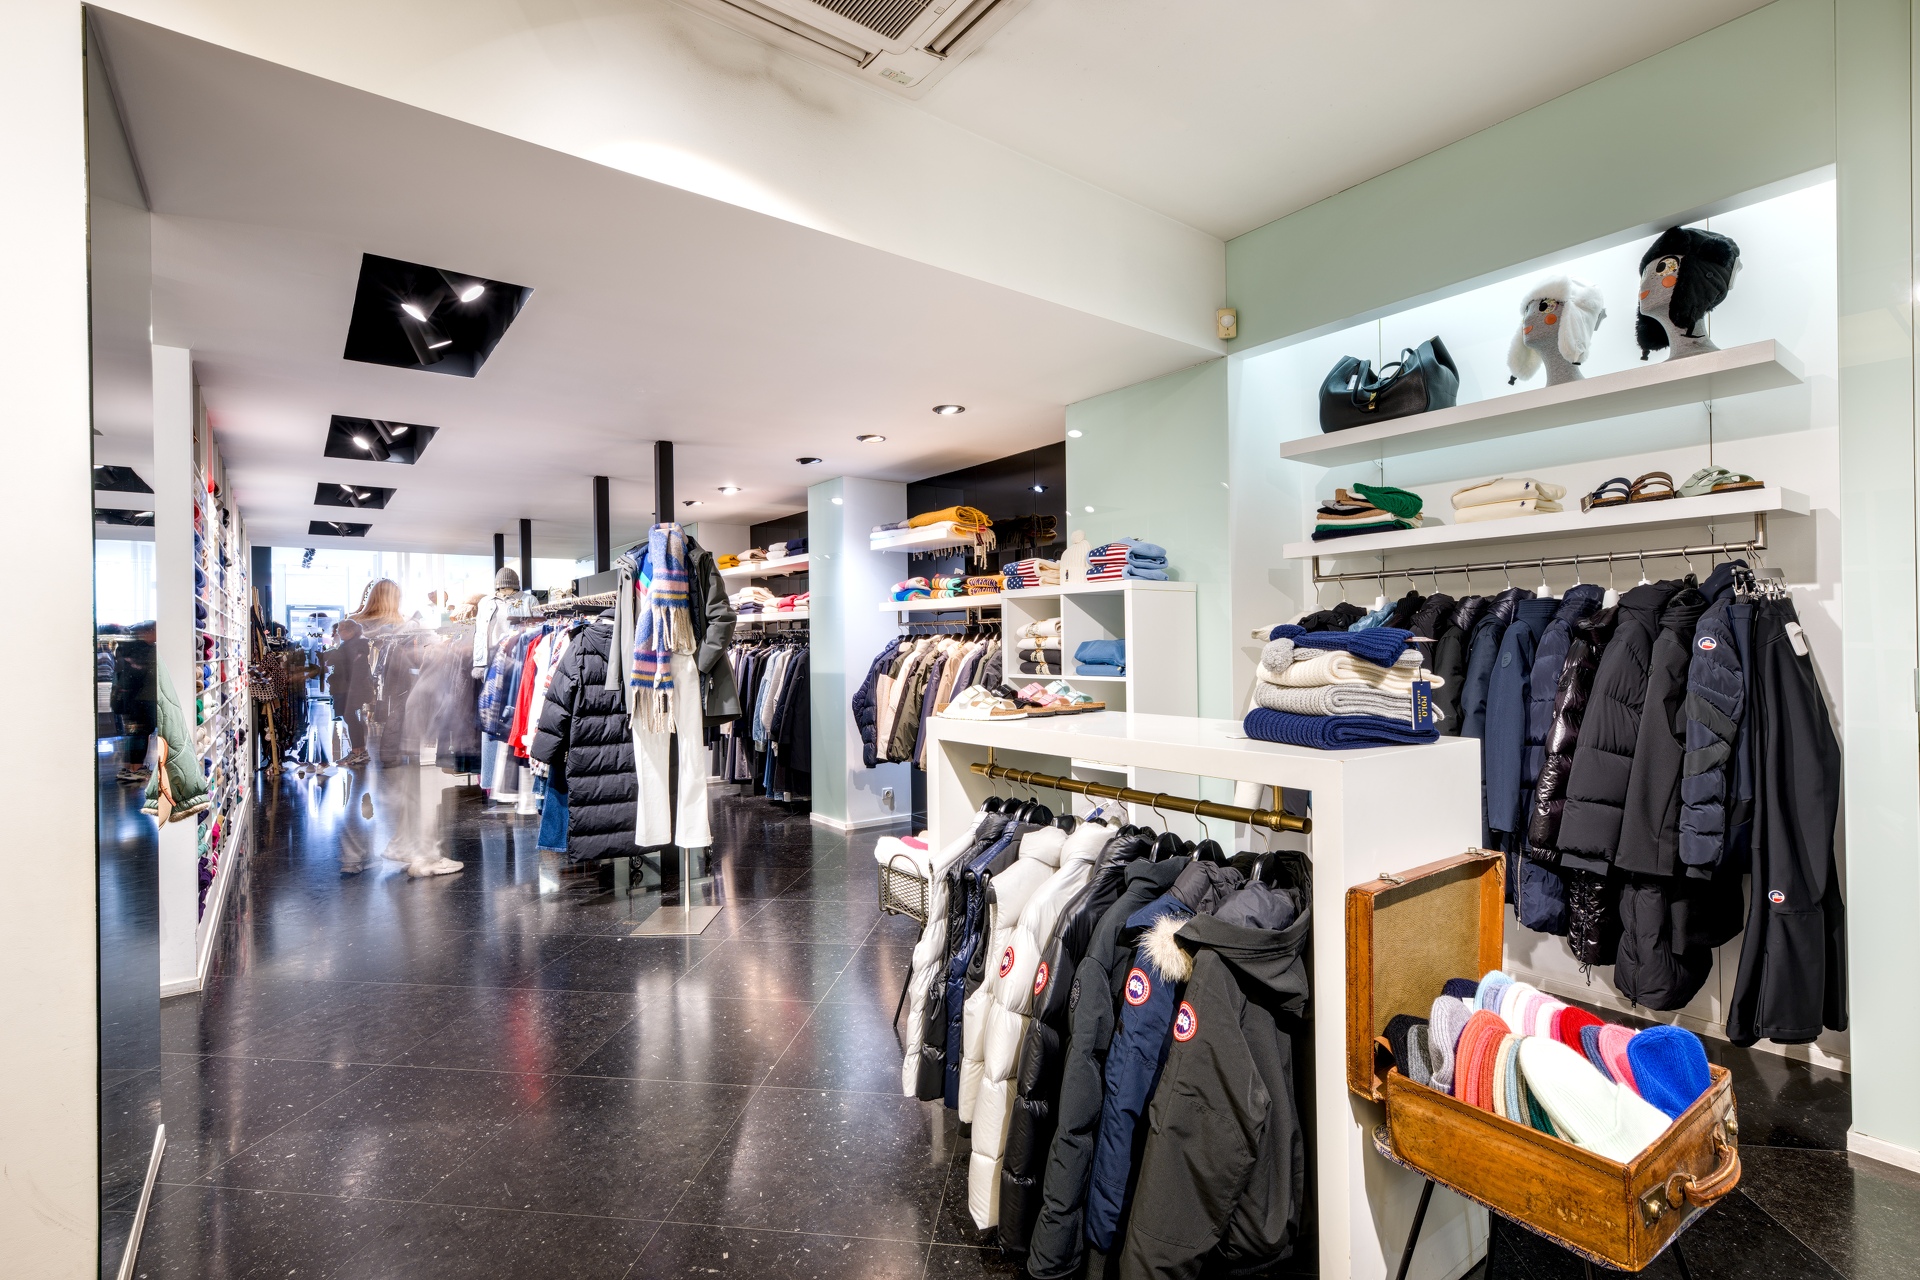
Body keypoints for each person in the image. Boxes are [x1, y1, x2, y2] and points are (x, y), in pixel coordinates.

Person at [341, 579, 464, 878]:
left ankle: (356, 856)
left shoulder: (355, 628)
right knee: (409, 792)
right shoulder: (403, 629)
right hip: (395, 722)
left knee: (364, 793)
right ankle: (422, 855)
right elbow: (418, 667)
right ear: (395, 599)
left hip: (362, 721)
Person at [110, 622, 158, 784]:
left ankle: (130, 768)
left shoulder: (129, 648)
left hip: (135, 698)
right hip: (141, 698)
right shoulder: (142, 650)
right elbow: (137, 673)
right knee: (140, 734)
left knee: (136, 734)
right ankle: (135, 769)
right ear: (149, 631)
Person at [323, 618, 370, 765]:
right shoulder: (353, 645)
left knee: (350, 717)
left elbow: (355, 669)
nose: (338, 633)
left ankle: (358, 752)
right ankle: (359, 751)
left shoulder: (354, 646)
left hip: (351, 688)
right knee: (351, 718)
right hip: (349, 688)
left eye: (340, 630)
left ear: (349, 631)